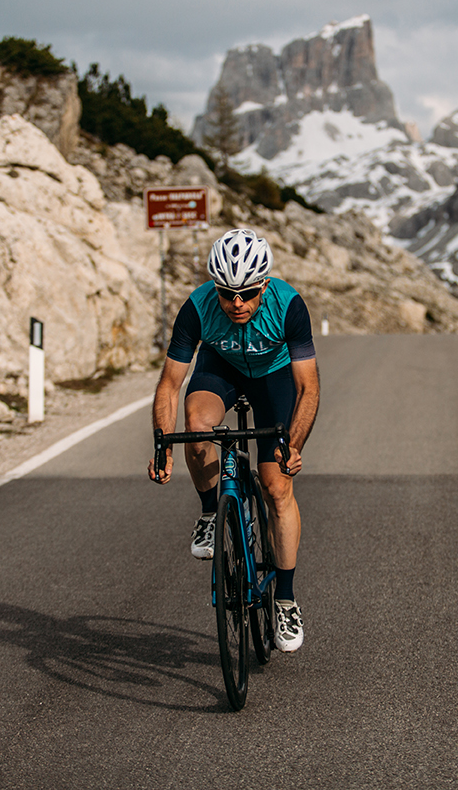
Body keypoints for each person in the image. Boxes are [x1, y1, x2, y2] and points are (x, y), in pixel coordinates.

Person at [148, 228, 320, 652]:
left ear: (263, 284)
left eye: (246, 293)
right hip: (219, 368)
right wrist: (160, 443)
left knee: (277, 486)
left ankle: (284, 597)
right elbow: (170, 384)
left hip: (273, 377)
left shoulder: (288, 306)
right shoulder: (197, 307)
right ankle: (210, 511)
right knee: (196, 424)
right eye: (227, 293)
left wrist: (292, 446)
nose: (236, 303)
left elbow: (308, 388)